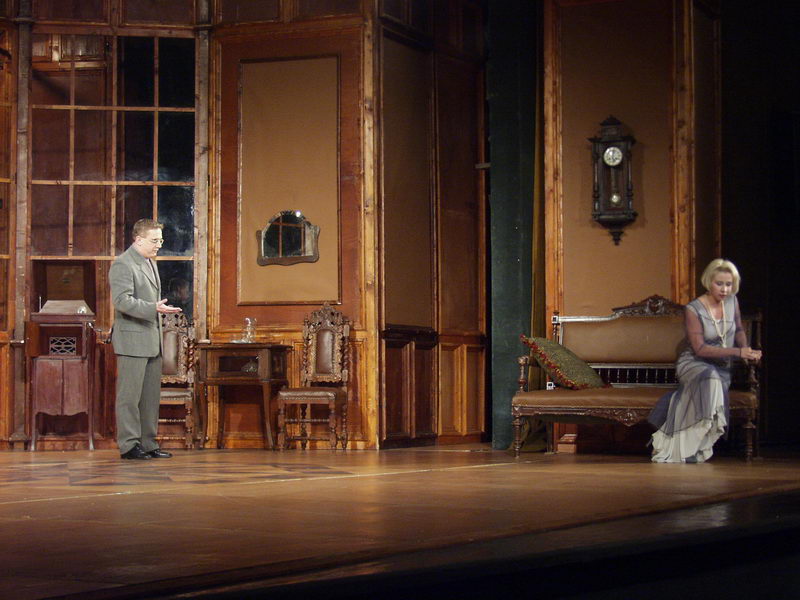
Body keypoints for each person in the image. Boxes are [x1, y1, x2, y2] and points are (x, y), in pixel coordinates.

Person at [648, 258, 762, 463]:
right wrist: (738, 352)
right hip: (693, 363)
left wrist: (747, 350)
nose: (725, 289)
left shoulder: (732, 302)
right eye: (719, 283)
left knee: (714, 380)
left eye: (729, 284)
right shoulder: (693, 309)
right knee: (711, 379)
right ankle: (683, 449)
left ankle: (700, 445)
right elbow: (699, 349)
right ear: (709, 282)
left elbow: (738, 329)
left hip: (722, 366)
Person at [110, 219, 182, 460]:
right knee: (129, 397)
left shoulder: (149, 262)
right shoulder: (123, 264)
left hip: (151, 340)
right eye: (154, 240)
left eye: (161, 240)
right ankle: (129, 445)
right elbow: (121, 301)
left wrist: (156, 309)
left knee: (150, 397)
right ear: (138, 240)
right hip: (132, 341)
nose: (159, 245)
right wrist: (153, 308)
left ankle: (148, 443)